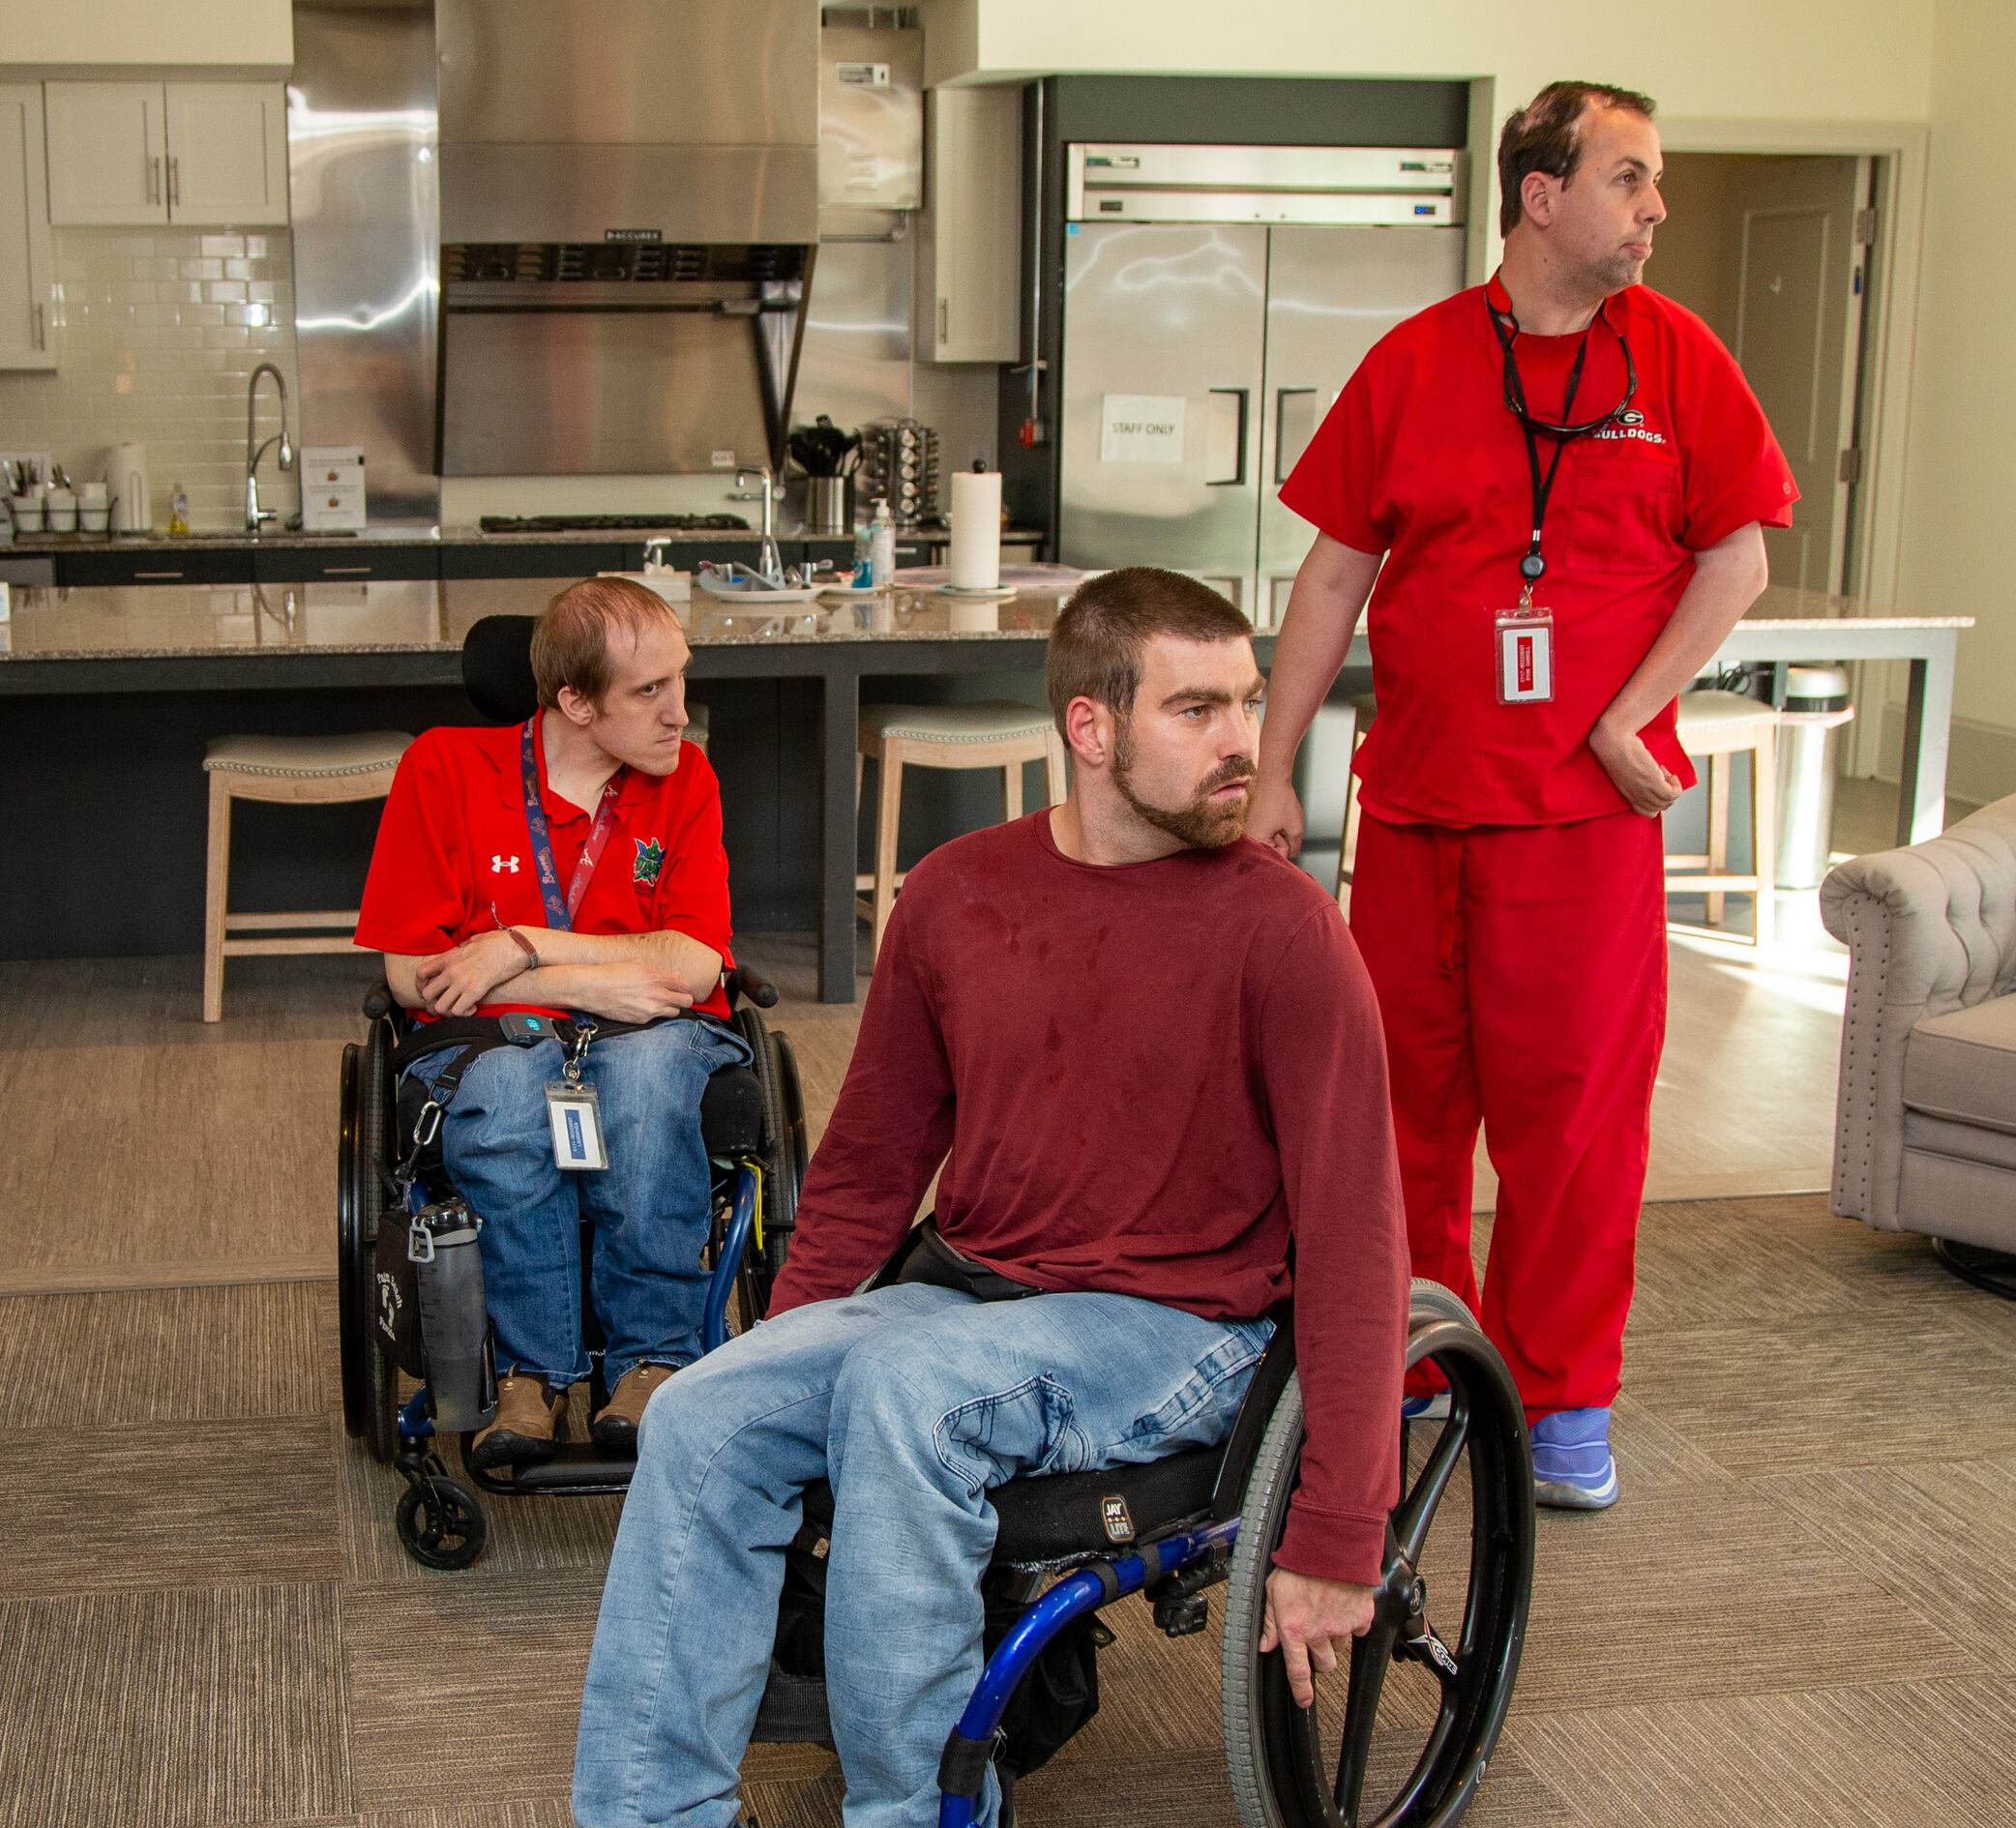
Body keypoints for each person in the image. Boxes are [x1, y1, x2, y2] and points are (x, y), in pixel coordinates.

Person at [573, 568, 1406, 1828]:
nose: (1244, 742)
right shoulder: (958, 896)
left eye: (1245, 703)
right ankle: (646, 1812)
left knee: (911, 1400)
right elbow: (866, 1167)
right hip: (976, 1290)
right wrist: (791, 1341)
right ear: (1092, 729)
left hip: (1181, 1324)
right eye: (1197, 710)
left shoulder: (1287, 934)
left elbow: (1358, 1242)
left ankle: (913, 1815)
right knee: (702, 1414)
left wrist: (1340, 1533)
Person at [1244, 80, 1798, 1513]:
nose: (1656, 208)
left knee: (1572, 1127)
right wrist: (1268, 776)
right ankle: (1423, 1366)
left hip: (1580, 828)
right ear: (1540, 196)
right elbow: (1332, 577)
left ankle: (1562, 1402)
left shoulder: (1676, 360)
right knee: (1403, 1116)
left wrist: (1632, 709)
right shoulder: (1418, 362)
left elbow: (1738, 555)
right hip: (1421, 814)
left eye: (1657, 179)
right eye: (1629, 179)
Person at [354, 576, 744, 1471]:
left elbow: (693, 965)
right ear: (575, 700)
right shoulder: (444, 768)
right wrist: (598, 982)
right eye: (650, 691)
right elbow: (412, 975)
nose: (680, 714)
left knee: (645, 1086)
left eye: (681, 680)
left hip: (649, 1033)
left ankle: (654, 1359)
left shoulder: (685, 780)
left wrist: (522, 949)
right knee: (504, 1095)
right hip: (502, 1043)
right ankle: (535, 1373)